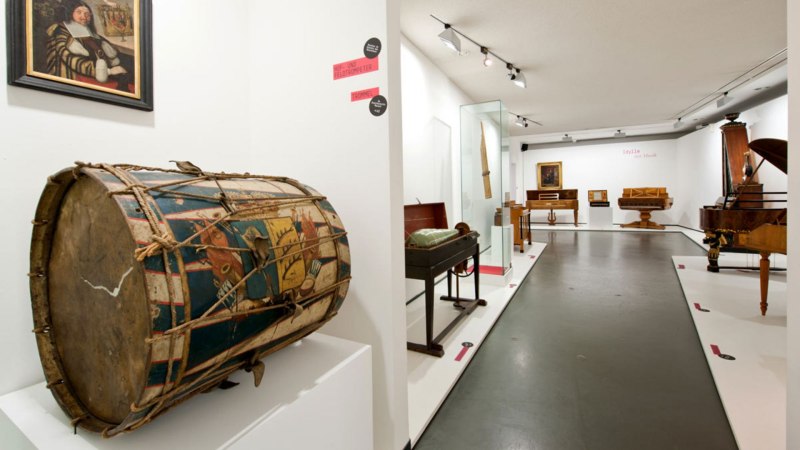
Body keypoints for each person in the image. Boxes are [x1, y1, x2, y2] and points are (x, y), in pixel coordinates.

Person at [45, 1, 133, 92]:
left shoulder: (87, 30)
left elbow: (105, 48)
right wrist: (108, 71)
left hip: (99, 71)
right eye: (79, 12)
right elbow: (70, 59)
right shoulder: (61, 32)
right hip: (73, 77)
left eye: (87, 14)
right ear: (70, 14)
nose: (84, 17)